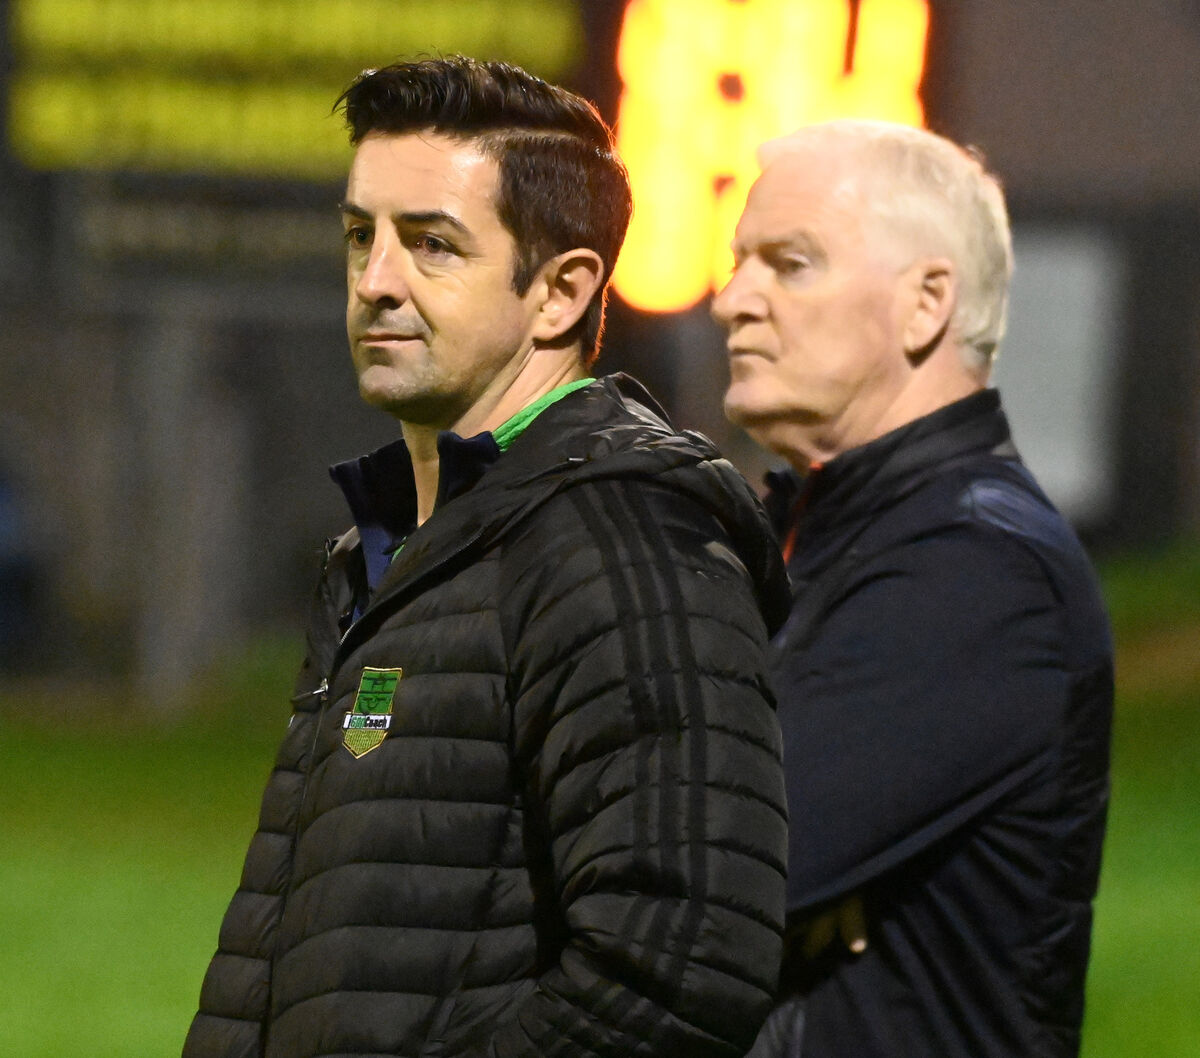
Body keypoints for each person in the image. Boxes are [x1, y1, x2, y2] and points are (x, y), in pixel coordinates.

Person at [183, 56, 792, 1058]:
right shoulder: (388, 551)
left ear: (560, 293)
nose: (375, 282)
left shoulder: (621, 532)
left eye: (431, 244)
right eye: (361, 235)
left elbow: (680, 966)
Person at [712, 120, 1114, 1058]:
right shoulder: (798, 536)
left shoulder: (977, 567)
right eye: (738, 264)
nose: (732, 301)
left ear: (927, 302)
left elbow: (699, 875)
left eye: (789, 264)